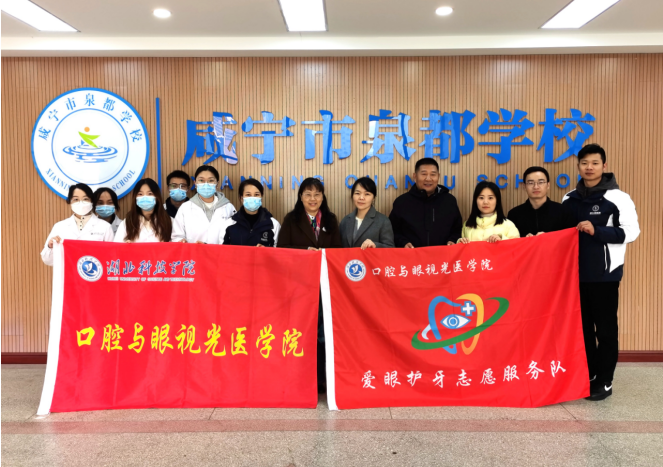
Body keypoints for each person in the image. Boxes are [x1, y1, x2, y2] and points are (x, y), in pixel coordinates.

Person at [562, 144, 640, 401]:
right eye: (584, 163)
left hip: (605, 275)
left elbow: (632, 232)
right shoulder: (569, 198)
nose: (589, 167)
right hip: (574, 276)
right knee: (582, 330)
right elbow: (561, 235)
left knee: (605, 331)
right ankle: (589, 375)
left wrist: (597, 231)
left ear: (604, 166)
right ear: (578, 166)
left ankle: (605, 380)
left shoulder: (619, 198)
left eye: (595, 163)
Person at [278, 177, 341, 394]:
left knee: (323, 333)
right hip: (299, 286)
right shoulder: (291, 219)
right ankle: (302, 379)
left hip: (324, 286)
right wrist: (305, 253)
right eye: (308, 194)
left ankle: (322, 379)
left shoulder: (331, 220)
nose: (312, 199)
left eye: (317, 194)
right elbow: (282, 249)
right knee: (302, 332)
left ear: (323, 197)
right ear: (300, 197)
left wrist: (324, 254)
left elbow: (339, 251)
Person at [389, 157, 462, 248]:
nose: (428, 178)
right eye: (424, 174)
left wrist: (453, 240)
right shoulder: (401, 202)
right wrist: (403, 242)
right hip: (411, 255)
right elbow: (392, 231)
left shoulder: (450, 201)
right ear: (415, 176)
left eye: (433, 174)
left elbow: (457, 229)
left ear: (438, 176)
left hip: (444, 255)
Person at [41, 183, 114, 266]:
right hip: (67, 273)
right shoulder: (60, 226)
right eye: (76, 199)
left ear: (92, 201)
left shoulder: (105, 227)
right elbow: (47, 260)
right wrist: (50, 247)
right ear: (70, 201)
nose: (81, 203)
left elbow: (112, 258)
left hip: (95, 272)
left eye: (85, 199)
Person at [171, 165, 236, 243]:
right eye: (201, 180)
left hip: (220, 251)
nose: (206, 184)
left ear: (217, 184)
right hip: (194, 251)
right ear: (195, 183)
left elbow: (234, 236)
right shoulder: (185, 208)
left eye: (211, 180)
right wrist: (181, 241)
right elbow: (177, 236)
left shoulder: (228, 208)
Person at [211, 178, 281, 246]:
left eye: (256, 195)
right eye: (248, 195)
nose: (252, 198)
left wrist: (265, 251)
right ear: (241, 198)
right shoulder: (229, 224)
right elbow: (222, 251)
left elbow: (277, 252)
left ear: (261, 197)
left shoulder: (273, 225)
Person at [508, 167, 575, 237]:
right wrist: (524, 239)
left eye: (540, 182)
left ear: (548, 185)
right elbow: (511, 240)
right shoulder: (514, 215)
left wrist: (549, 238)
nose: (536, 187)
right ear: (524, 186)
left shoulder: (564, 212)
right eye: (531, 183)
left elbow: (570, 239)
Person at [339, 177, 395, 249]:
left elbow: (390, 248)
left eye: (367, 194)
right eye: (357, 193)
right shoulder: (345, 221)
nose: (361, 197)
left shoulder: (383, 221)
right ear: (352, 195)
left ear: (373, 198)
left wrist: (375, 245)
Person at [114, 178, 172, 243]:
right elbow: (117, 246)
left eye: (150, 194)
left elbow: (175, 246)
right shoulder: (127, 223)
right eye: (140, 194)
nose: (145, 197)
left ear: (157, 197)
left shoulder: (169, 221)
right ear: (135, 197)